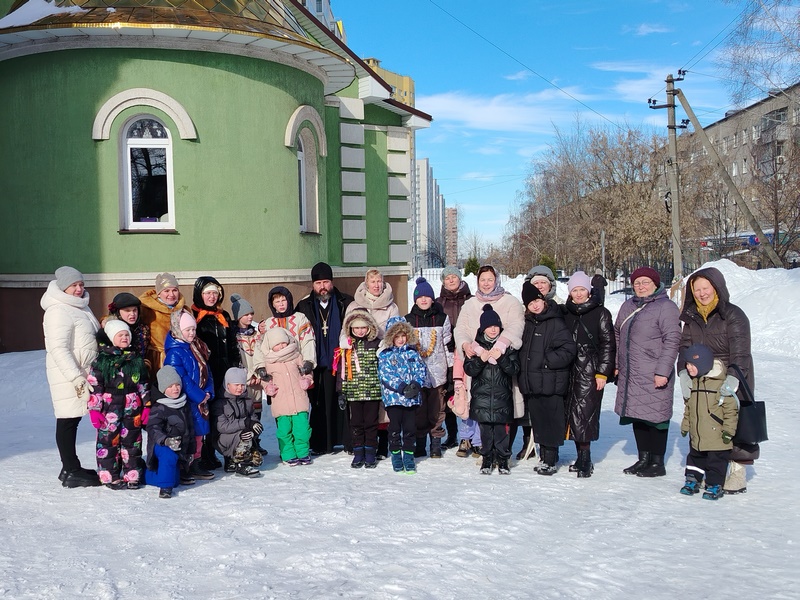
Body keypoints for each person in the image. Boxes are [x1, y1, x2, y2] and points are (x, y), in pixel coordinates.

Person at [678, 266, 755, 494]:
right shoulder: (691, 317)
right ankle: (704, 471)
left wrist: (733, 378)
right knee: (706, 423)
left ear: (717, 287)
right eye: (697, 289)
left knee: (735, 424)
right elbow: (684, 348)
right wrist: (683, 371)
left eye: (706, 288)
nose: (702, 293)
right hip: (701, 381)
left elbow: (741, 351)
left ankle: (738, 471)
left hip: (732, 377)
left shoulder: (733, 314)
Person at [614, 266, 681, 478]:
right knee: (638, 415)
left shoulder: (666, 307)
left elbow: (672, 340)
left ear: (655, 284)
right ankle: (643, 458)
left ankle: (657, 462)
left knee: (656, 417)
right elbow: (617, 335)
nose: (641, 287)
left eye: (645, 282)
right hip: (631, 372)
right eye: (637, 283)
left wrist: (663, 371)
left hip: (654, 372)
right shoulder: (628, 306)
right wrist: (616, 364)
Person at [454, 265, 525, 459]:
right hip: (479, 366)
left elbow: (517, 325)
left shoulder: (509, 301)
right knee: (481, 408)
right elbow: (460, 329)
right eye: (482, 279)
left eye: (490, 279)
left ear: (497, 280)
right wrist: (465, 345)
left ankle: (502, 453)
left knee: (502, 411)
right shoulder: (470, 304)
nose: (486, 283)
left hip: (502, 366)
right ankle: (483, 449)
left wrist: (501, 346)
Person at [41, 266, 102, 488]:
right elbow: (58, 348)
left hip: (83, 372)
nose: (79, 289)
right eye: (74, 285)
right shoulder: (58, 310)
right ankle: (70, 469)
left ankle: (70, 467)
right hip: (69, 374)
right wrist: (76, 378)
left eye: (81, 284)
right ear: (62, 287)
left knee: (72, 420)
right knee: (67, 420)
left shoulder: (79, 307)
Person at [518, 282, 577, 475]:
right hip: (533, 383)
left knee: (552, 422)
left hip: (551, 381)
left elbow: (568, 349)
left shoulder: (555, 321)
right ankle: (544, 455)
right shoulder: (527, 323)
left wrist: (547, 361)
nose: (535, 305)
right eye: (530, 303)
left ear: (543, 300)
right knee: (539, 422)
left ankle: (550, 459)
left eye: (537, 300)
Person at [562, 271, 616, 478]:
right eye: (574, 290)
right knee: (572, 414)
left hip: (590, 369)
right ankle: (579, 456)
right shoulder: (566, 312)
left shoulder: (601, 313)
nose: (578, 294)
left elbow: (608, 345)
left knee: (585, 414)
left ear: (589, 290)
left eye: (582, 289)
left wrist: (602, 372)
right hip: (568, 368)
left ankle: (586, 459)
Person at [296, 262, 354, 455]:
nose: (323, 287)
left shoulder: (345, 301)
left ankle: (344, 440)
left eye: (326, 282)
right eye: (319, 282)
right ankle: (321, 443)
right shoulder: (304, 306)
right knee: (319, 404)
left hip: (340, 363)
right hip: (314, 363)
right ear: (313, 284)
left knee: (341, 403)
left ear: (332, 282)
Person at [86, 319, 147, 489]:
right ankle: (109, 475)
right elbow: (95, 386)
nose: (125, 337)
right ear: (112, 338)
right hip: (109, 407)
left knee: (132, 441)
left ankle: (131, 475)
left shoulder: (135, 359)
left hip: (132, 406)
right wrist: (94, 409)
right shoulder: (102, 361)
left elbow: (143, 383)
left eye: (127, 334)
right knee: (108, 442)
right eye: (120, 335)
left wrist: (147, 405)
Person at [464, 305, 520, 475]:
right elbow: (470, 370)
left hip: (502, 398)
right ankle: (487, 458)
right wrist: (480, 360)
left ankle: (503, 459)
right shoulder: (475, 348)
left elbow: (514, 369)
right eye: (489, 326)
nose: (493, 330)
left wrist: (501, 358)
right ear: (483, 328)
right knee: (486, 432)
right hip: (482, 399)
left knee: (501, 432)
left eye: (496, 326)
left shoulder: (506, 347)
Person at [678, 344, 739, 501]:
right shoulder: (694, 384)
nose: (688, 368)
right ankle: (692, 480)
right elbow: (689, 408)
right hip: (697, 434)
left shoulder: (721, 385)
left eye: (692, 365)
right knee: (694, 458)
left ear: (703, 364)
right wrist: (686, 426)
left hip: (717, 435)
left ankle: (714, 485)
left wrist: (728, 431)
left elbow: (731, 411)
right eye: (687, 364)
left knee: (716, 462)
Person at [192, 276, 240, 470]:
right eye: (207, 293)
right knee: (206, 412)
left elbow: (232, 343)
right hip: (206, 371)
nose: (211, 297)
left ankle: (225, 450)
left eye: (215, 293)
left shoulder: (224, 315)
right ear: (199, 295)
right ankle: (205, 453)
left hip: (224, 371)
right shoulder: (194, 316)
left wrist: (235, 365)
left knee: (223, 412)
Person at [163, 310, 216, 481]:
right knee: (188, 435)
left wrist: (208, 391)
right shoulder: (174, 352)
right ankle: (184, 465)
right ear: (179, 330)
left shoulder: (195, 348)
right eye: (188, 330)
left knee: (199, 435)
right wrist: (199, 395)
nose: (192, 333)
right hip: (186, 401)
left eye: (193, 329)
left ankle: (196, 462)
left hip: (200, 401)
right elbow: (182, 378)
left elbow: (206, 371)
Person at [405, 277, 452, 459]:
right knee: (419, 411)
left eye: (427, 297)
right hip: (417, 375)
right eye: (420, 297)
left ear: (432, 299)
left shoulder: (442, 318)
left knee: (437, 410)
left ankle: (435, 444)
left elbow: (447, 345)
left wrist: (449, 371)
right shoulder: (408, 320)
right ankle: (420, 443)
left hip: (437, 373)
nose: (424, 300)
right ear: (415, 299)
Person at [255, 327, 314, 465]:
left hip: (299, 400)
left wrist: (307, 380)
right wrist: (268, 387)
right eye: (277, 344)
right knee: (284, 432)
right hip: (281, 402)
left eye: (284, 343)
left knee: (302, 430)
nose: (282, 346)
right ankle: (288, 454)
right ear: (270, 346)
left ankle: (303, 452)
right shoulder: (269, 362)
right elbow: (265, 380)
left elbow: (308, 373)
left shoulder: (296, 356)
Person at [378, 317, 427, 474]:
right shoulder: (385, 355)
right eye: (397, 336)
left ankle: (408, 454)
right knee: (394, 427)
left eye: (403, 336)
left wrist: (416, 385)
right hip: (394, 398)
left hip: (411, 398)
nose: (400, 339)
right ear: (391, 337)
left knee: (410, 428)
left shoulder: (413, 353)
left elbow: (421, 370)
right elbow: (386, 375)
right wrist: (401, 387)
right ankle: (395, 453)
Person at [336, 309, 382, 469]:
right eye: (356, 328)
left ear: (369, 327)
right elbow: (341, 369)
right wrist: (341, 391)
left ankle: (370, 453)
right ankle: (358, 453)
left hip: (372, 391)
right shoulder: (347, 347)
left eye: (363, 327)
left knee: (371, 423)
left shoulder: (377, 344)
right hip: (353, 392)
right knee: (356, 423)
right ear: (350, 329)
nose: (360, 331)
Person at [144, 365, 195, 499]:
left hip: (179, 446)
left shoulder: (184, 404)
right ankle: (165, 488)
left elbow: (190, 428)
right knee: (169, 457)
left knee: (176, 481)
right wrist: (165, 440)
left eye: (177, 385)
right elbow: (153, 428)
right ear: (163, 388)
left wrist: (190, 451)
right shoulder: (159, 407)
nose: (175, 389)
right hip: (162, 445)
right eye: (171, 386)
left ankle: (146, 475)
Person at [436, 266, 471, 449]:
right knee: (449, 393)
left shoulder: (470, 299)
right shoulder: (438, 302)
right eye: (447, 278)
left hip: (468, 353)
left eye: (454, 277)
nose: (451, 280)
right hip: (447, 355)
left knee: (469, 393)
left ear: (460, 279)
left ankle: (471, 436)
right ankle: (452, 435)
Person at [230, 293, 268, 456]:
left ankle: (256, 440)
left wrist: (259, 373)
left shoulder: (255, 334)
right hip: (243, 379)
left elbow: (261, 352)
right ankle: (246, 442)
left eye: (251, 313)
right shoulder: (233, 336)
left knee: (256, 410)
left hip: (257, 378)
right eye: (246, 314)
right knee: (244, 411)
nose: (250, 317)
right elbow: (236, 358)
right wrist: (246, 377)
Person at [213, 367, 262, 477]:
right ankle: (241, 464)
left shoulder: (248, 402)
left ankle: (232, 461)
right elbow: (222, 426)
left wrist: (256, 426)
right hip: (222, 440)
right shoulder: (220, 403)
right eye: (236, 385)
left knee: (257, 460)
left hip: (241, 436)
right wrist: (245, 423)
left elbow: (253, 419)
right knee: (245, 435)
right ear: (227, 384)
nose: (240, 388)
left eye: (242, 385)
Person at [139, 272, 186, 380]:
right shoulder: (147, 309)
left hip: (179, 356)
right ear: (159, 293)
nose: (171, 294)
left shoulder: (184, 310)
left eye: (174, 290)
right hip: (156, 359)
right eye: (166, 291)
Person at [261, 286, 316, 367]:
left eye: (284, 300)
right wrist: (261, 366)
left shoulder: (300, 318)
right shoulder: (269, 323)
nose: (281, 304)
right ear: (273, 304)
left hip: (297, 364)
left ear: (289, 301)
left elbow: (308, 341)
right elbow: (263, 347)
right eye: (277, 301)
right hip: (276, 366)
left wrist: (308, 361)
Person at [341, 268, 400, 343]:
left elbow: (396, 331)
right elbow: (345, 330)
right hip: (358, 350)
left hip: (383, 349)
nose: (376, 285)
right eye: (373, 282)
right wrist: (345, 343)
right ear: (367, 284)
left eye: (379, 281)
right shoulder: (354, 306)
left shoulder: (391, 308)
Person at [105, 292, 150, 363]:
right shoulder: (110, 330)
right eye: (127, 311)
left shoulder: (143, 329)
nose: (132, 314)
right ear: (118, 312)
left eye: (135, 310)